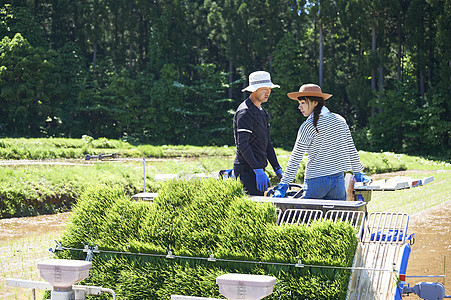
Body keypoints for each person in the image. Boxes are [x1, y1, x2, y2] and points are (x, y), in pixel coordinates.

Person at [273, 83, 371, 199]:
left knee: (309, 216)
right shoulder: (340, 120)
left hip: (315, 182)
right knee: (336, 216)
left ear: (315, 102)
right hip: (337, 182)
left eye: (303, 103)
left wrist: (283, 185)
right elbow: (351, 149)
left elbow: (295, 158)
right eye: (299, 103)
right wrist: (357, 173)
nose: (299, 107)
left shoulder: (307, 126)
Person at [233, 71, 283, 196]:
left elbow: (267, 143)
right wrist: (257, 170)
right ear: (253, 90)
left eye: (269, 89)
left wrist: (277, 167)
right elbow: (243, 145)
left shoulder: (262, 112)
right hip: (247, 170)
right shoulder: (245, 112)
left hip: (258, 168)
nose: (268, 92)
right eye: (264, 89)